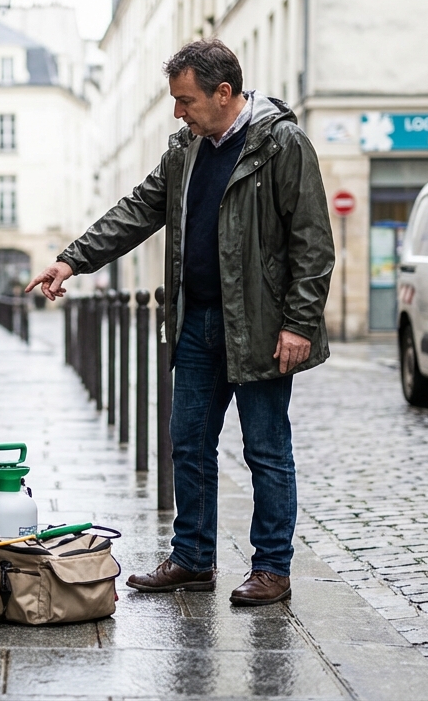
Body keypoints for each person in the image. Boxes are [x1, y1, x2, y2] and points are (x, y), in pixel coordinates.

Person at [26, 39, 334, 606]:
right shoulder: (186, 150)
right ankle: (192, 558)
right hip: (195, 320)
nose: (178, 111)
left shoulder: (281, 143)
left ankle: (272, 568)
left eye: (186, 100)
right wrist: (72, 259)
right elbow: (137, 210)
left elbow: (313, 243)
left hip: (263, 327)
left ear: (224, 93)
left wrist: (299, 322)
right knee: (187, 443)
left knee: (266, 449)